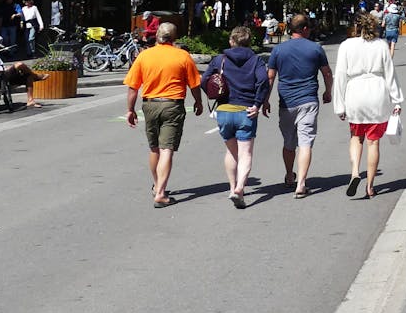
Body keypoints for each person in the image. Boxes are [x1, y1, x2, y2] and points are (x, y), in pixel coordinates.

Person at [123, 22, 203, 207]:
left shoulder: (144, 56)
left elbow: (133, 87)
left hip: (150, 105)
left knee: (154, 149)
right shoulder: (182, 56)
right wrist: (198, 102)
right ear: (174, 38)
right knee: (166, 149)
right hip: (172, 106)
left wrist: (130, 109)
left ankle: (156, 185)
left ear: (157, 35)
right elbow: (194, 84)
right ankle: (160, 193)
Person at [334, 12, 403, 199]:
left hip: (355, 92)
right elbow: (390, 73)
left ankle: (355, 171)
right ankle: (370, 186)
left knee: (356, 137)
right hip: (377, 93)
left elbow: (340, 75)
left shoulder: (346, 46)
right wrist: (396, 100)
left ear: (355, 27)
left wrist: (339, 105)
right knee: (373, 142)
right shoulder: (381, 46)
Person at [202, 26, 269, 208]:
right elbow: (263, 81)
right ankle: (240, 188)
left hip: (224, 110)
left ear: (231, 41)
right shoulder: (256, 60)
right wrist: (257, 103)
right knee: (245, 152)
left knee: (231, 152)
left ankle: (232, 188)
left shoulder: (219, 59)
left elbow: (204, 80)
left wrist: (216, 94)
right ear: (248, 42)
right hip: (246, 111)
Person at [267, 13, 332, 198]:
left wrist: (264, 100)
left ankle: (289, 175)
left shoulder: (278, 50)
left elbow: (270, 77)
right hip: (309, 100)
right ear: (304, 29)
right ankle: (301, 184)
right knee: (305, 142)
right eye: (309, 28)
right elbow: (327, 73)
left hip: (286, 102)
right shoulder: (315, 48)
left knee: (289, 142)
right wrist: (328, 92)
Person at [0, 33, 48, 109]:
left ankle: (30, 100)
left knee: (28, 76)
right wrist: (5, 69)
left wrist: (6, 68)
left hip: (4, 75)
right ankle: (37, 76)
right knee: (19, 64)